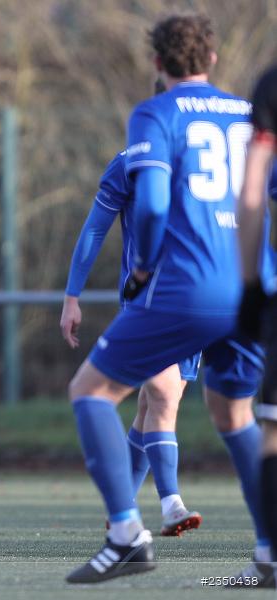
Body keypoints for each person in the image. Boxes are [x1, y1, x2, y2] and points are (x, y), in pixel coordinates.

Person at [65, 14, 270, 584]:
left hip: (187, 285)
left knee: (91, 392)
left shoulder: (154, 115)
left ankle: (127, 535)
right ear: (215, 59)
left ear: (156, 63)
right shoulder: (247, 115)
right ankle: (268, 554)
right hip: (256, 287)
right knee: (234, 415)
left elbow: (152, 207)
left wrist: (143, 270)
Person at [61, 147, 202, 537]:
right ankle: (172, 503)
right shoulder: (131, 162)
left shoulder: (205, 156)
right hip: (148, 299)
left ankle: (121, 506)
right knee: (163, 393)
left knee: (148, 407)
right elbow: (94, 228)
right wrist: (72, 295)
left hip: (197, 297)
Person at [237, 64, 277, 583]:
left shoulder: (271, 84)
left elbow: (251, 196)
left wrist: (248, 286)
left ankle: (271, 560)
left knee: (273, 430)